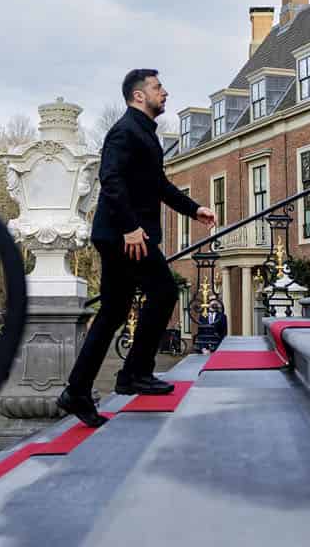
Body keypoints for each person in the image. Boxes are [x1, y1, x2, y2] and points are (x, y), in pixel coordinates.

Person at [57, 69, 216, 428]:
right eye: (159, 88)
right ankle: (134, 373)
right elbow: (109, 179)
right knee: (162, 292)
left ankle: (78, 391)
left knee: (114, 312)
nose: (166, 92)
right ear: (139, 96)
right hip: (124, 236)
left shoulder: (144, 134)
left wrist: (194, 209)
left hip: (124, 234)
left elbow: (158, 184)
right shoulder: (125, 131)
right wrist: (130, 228)